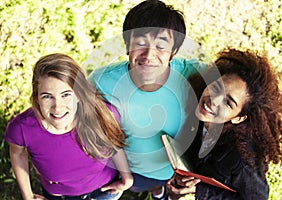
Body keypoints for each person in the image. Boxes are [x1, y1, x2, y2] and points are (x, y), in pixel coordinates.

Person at [88, 0, 206, 199]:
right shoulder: (101, 82)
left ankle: (159, 192)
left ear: (173, 52)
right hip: (125, 168)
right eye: (140, 43)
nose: (149, 55)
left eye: (161, 46)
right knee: (130, 188)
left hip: (174, 172)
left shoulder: (192, 74)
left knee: (162, 188)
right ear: (127, 45)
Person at [166, 48, 282, 200]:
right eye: (217, 87)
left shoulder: (242, 161)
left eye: (228, 102)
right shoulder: (196, 103)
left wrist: (201, 190)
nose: (214, 100)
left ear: (239, 118)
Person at [5, 53, 133, 200]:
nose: (57, 108)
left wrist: (126, 177)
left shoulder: (102, 115)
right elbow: (17, 154)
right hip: (61, 196)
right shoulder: (22, 128)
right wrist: (27, 196)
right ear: (36, 97)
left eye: (66, 94)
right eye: (47, 96)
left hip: (105, 190)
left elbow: (114, 145)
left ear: (79, 94)